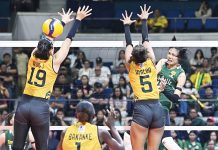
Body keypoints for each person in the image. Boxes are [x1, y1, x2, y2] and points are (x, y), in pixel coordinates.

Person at [12, 6, 92, 150]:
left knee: (17, 147)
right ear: (51, 50)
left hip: (23, 105)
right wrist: (77, 20)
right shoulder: (54, 61)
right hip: (40, 107)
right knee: (42, 147)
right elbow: (68, 40)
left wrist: (61, 22)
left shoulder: (32, 56)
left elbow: (47, 38)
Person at [120, 4, 164, 150]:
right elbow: (146, 39)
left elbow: (128, 44)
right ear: (147, 55)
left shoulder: (130, 65)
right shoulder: (152, 62)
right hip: (157, 108)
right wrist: (144, 20)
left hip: (142, 108)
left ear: (132, 57)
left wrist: (127, 25)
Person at [156, 40, 187, 149]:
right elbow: (151, 78)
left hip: (163, 104)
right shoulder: (162, 62)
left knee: (166, 139)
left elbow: (175, 99)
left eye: (173, 55)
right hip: (150, 99)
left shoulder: (181, 74)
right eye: (169, 53)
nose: (169, 56)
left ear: (179, 58)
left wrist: (163, 90)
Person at [57, 100, 124, 150]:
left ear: (75, 115)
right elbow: (121, 148)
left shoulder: (65, 132)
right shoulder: (100, 132)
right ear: (93, 116)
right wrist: (112, 127)